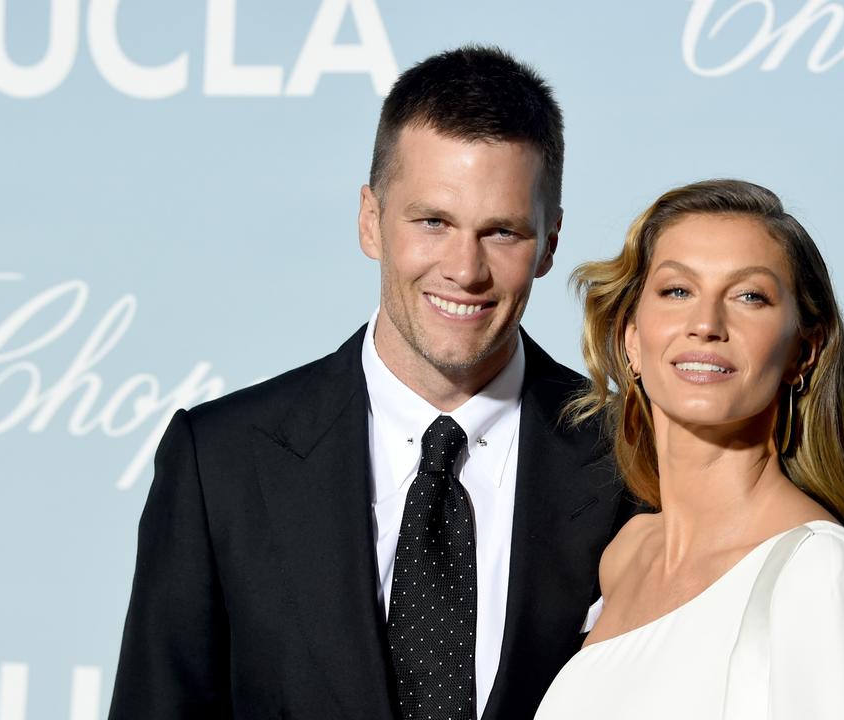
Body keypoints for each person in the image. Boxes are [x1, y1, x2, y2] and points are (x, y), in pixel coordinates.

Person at [109, 46, 633, 720]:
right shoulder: (223, 462)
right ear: (370, 220)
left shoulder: (631, 460)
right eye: (432, 222)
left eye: (501, 231)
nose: (464, 269)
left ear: (549, 243)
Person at [535, 180, 844, 719]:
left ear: (802, 352)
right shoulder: (626, 556)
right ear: (631, 338)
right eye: (677, 291)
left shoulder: (819, 573)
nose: (706, 325)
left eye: (749, 297)